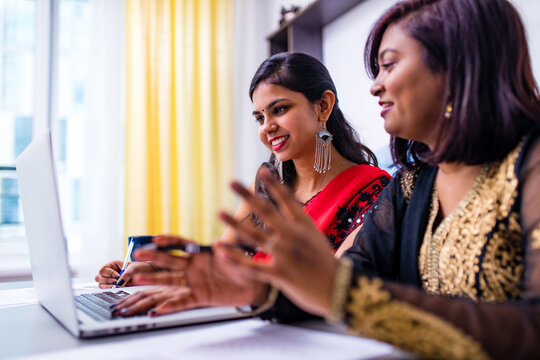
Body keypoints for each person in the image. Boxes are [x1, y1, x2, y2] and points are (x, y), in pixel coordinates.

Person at [206, 0, 540, 359]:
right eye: (259, 116)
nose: (374, 87)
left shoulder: (529, 162)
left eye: (389, 65)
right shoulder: (411, 186)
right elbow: (345, 277)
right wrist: (249, 291)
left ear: (457, 65)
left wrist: (343, 293)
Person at [97, 53, 390, 303]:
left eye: (280, 109)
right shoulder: (266, 188)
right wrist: (158, 273)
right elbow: (221, 263)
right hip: (241, 320)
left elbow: (334, 290)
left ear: (323, 105)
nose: (267, 127)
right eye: (259, 118)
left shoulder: (375, 191)